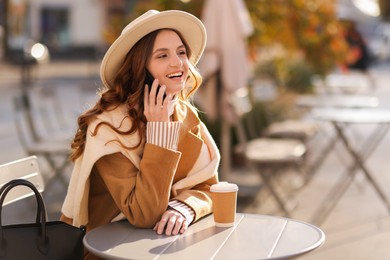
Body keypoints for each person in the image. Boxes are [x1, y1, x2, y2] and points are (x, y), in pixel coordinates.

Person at [60, 9, 220, 259]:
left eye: (181, 52)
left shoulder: (184, 114)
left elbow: (210, 187)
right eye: (162, 55)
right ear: (139, 67)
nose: (178, 62)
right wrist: (159, 132)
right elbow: (145, 214)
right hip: (108, 253)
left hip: (166, 248)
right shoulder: (108, 128)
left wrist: (186, 207)